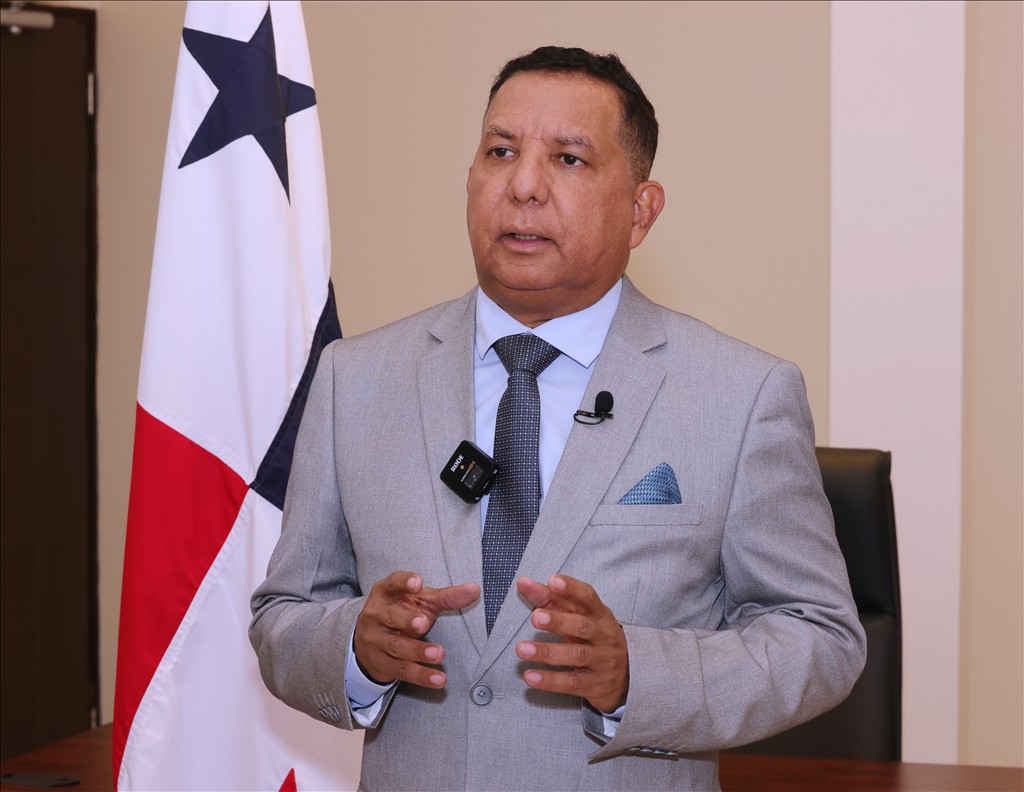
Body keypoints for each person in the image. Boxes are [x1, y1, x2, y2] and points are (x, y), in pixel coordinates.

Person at [250, 46, 865, 791]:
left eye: (569, 159)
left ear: (640, 210)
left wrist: (639, 674)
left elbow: (820, 636)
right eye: (501, 152)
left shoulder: (742, 395)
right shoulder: (355, 379)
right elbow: (284, 615)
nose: (524, 186)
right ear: (470, 178)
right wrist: (353, 648)